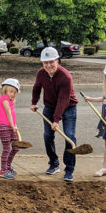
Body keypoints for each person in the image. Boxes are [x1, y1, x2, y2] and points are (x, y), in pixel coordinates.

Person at [30, 46, 78, 182]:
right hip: (50, 107)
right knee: (47, 136)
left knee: (69, 136)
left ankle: (69, 169)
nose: (48, 65)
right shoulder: (41, 73)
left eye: (51, 61)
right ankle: (53, 163)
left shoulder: (65, 77)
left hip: (69, 107)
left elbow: (63, 100)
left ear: (57, 60)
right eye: (45, 62)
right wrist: (34, 102)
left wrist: (56, 120)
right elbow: (36, 88)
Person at [0, 78, 20, 179]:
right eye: (11, 91)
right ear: (5, 90)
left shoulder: (10, 101)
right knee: (7, 148)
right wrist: (12, 125)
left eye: (14, 92)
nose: (12, 94)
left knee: (16, 146)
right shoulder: (4, 99)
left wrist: (14, 125)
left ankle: (8, 166)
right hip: (4, 126)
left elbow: (13, 115)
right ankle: (3, 170)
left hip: (11, 126)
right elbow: (8, 113)